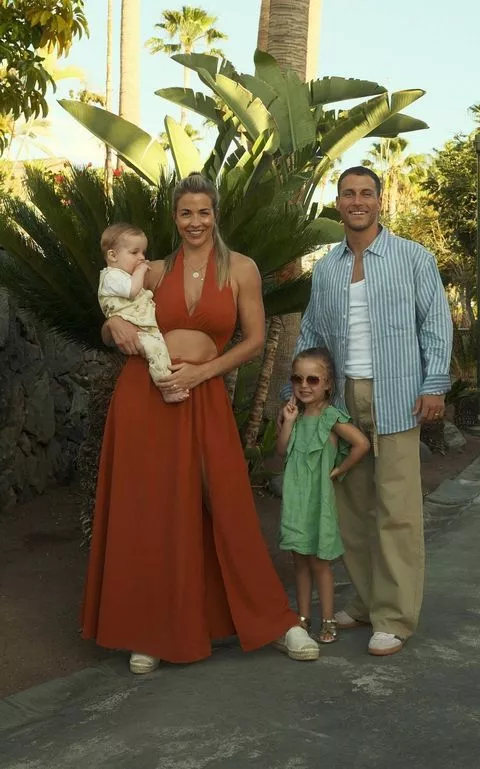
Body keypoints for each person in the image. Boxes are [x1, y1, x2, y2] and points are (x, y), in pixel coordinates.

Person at [82, 171, 319, 674]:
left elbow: (254, 339)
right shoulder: (152, 269)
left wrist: (204, 372)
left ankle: (277, 622)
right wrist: (112, 324)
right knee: (151, 509)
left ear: (215, 215)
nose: (195, 221)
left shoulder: (241, 269)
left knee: (228, 502)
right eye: (186, 213)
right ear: (175, 217)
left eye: (203, 212)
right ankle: (149, 630)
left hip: (203, 393)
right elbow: (113, 314)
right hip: (146, 396)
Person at [281, 166, 453, 656]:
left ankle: (394, 617)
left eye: (366, 193)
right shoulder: (327, 269)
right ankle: (367, 601)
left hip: (396, 396)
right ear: (338, 203)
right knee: (350, 511)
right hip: (340, 402)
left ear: (379, 201)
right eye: (348, 193)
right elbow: (312, 332)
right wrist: (298, 392)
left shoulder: (413, 258)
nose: (357, 201)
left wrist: (435, 384)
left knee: (397, 511)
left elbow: (435, 324)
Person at [276, 347, 370, 644]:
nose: (304, 385)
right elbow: (281, 450)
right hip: (296, 500)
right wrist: (288, 421)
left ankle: (328, 619)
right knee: (299, 561)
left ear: (328, 384)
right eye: (297, 379)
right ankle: (302, 618)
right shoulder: (294, 416)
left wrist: (339, 469)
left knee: (320, 562)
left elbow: (362, 444)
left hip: (319, 501)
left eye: (313, 380)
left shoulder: (331, 417)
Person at [98, 222, 188, 404]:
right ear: (113, 256)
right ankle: (167, 388)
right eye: (134, 253)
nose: (141, 258)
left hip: (141, 325)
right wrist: (140, 270)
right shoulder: (111, 276)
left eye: (143, 253)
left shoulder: (122, 276)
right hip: (135, 327)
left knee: (158, 350)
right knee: (156, 351)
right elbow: (132, 290)